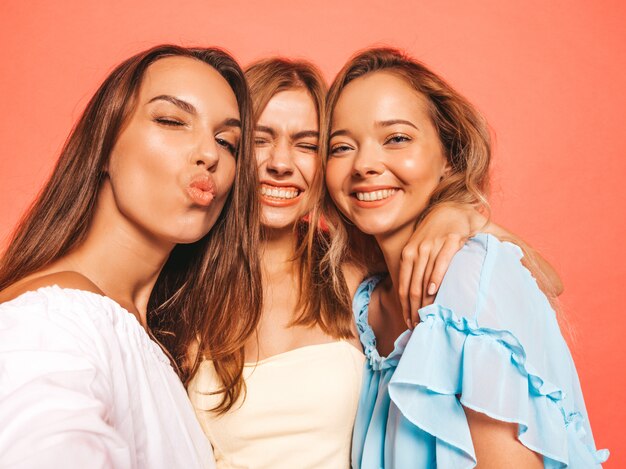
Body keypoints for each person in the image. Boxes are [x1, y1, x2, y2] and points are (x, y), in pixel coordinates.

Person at [187, 57, 564, 468]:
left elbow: (536, 285)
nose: (280, 163)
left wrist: (461, 215)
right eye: (260, 140)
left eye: (309, 144)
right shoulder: (183, 284)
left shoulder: (348, 274)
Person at [324, 47, 609, 468]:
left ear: (449, 157)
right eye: (341, 146)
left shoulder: (470, 277)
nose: (365, 164)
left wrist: (470, 220)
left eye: (397, 138)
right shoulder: (367, 301)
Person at [0, 44, 262, 469]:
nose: (210, 154)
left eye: (226, 141)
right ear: (103, 145)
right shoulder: (52, 322)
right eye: (172, 121)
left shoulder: (145, 335)